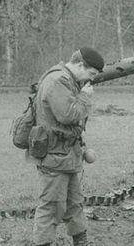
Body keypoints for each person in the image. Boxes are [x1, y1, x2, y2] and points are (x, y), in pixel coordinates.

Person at [30, 47, 104, 246]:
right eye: (91, 73)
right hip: (54, 155)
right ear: (81, 65)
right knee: (52, 206)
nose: (91, 79)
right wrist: (85, 97)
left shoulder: (67, 79)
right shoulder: (58, 80)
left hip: (66, 154)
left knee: (74, 203)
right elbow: (68, 114)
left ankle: (81, 241)